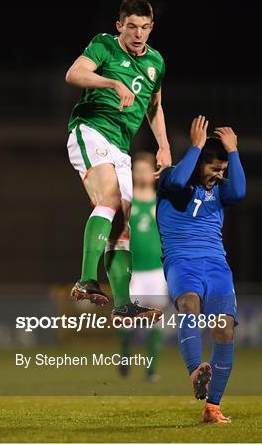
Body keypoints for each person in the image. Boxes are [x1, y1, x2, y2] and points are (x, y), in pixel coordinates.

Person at [65, 0, 171, 324]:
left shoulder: (156, 62)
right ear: (119, 26)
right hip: (91, 129)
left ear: (151, 28)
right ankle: (86, 280)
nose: (138, 33)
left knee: (123, 224)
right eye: (131, 26)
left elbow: (154, 105)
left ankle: (123, 304)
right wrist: (112, 81)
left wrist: (164, 145)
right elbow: (74, 74)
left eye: (144, 27)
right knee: (110, 199)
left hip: (120, 147)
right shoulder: (104, 46)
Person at [156, 115, 246, 423]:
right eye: (214, 168)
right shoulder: (171, 178)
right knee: (189, 305)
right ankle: (195, 370)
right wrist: (195, 147)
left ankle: (213, 407)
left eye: (223, 170)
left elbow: (238, 193)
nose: (219, 176)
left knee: (224, 330)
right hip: (181, 261)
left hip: (217, 265)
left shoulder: (222, 190)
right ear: (198, 163)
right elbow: (180, 181)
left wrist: (233, 152)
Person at [117, 151, 169, 381]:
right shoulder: (126, 200)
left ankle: (151, 369)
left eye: (144, 169)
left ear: (154, 173)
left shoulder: (162, 202)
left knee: (154, 321)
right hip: (132, 271)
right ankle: (125, 357)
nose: (140, 174)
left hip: (157, 271)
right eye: (136, 169)